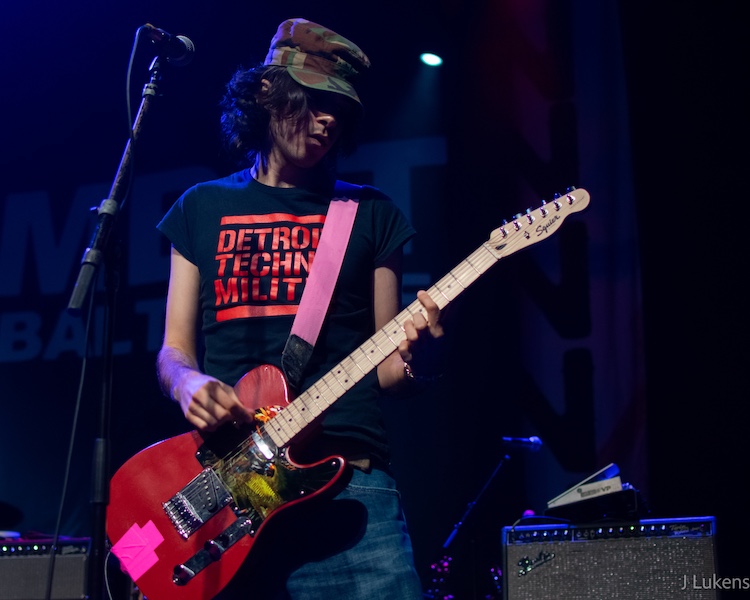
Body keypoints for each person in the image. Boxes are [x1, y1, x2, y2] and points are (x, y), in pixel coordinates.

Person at [155, 17, 444, 599]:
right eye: (314, 100)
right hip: (230, 487)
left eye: (339, 108)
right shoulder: (200, 207)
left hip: (349, 487)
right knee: (141, 562)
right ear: (267, 93)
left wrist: (419, 354)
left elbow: (390, 372)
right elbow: (173, 350)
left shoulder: (371, 214)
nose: (328, 119)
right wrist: (187, 383)